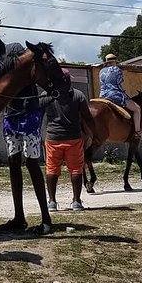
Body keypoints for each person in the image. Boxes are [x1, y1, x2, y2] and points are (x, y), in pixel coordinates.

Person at [0, 24, 52, 235]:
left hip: (29, 112)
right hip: (10, 115)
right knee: (13, 163)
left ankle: (46, 218)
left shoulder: (15, 49)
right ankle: (19, 217)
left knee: (32, 163)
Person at [40, 68, 96, 212]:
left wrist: (37, 134)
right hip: (74, 138)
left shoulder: (45, 95)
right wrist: (93, 133)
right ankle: (76, 201)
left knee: (51, 169)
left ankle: (52, 202)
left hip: (52, 138)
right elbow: (87, 117)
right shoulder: (78, 95)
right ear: (67, 80)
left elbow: (38, 116)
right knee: (76, 169)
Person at [99, 53, 142, 138]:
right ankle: (137, 131)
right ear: (115, 61)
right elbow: (119, 83)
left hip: (102, 95)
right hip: (114, 95)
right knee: (137, 108)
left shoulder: (101, 71)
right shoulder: (117, 69)